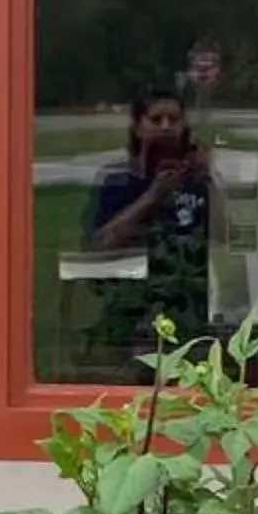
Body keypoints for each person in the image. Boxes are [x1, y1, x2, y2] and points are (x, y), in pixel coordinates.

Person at [84, 91, 228, 368]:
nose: (165, 127)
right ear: (138, 127)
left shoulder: (196, 181)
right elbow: (101, 244)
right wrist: (153, 196)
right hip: (135, 297)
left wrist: (209, 178)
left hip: (190, 298)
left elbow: (224, 236)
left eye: (173, 119)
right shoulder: (118, 180)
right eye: (156, 119)